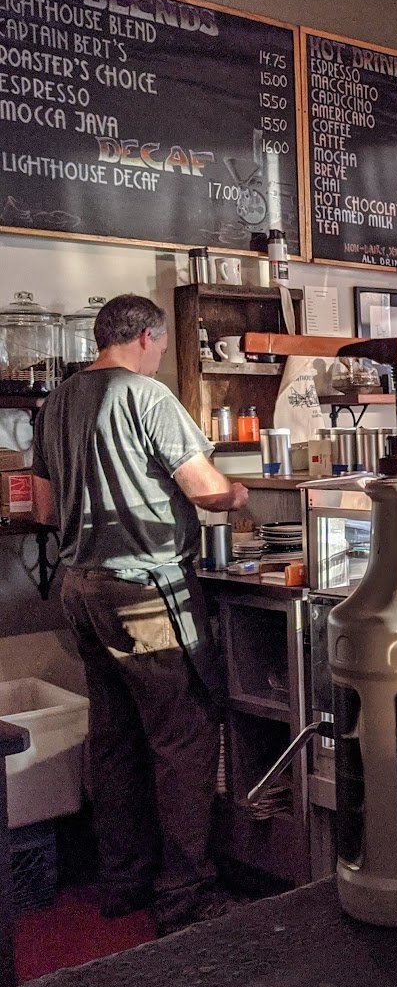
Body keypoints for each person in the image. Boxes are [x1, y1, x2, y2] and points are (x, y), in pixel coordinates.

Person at [31, 294, 249, 935]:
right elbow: (205, 491)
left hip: (80, 587)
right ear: (150, 337)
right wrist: (236, 494)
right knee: (182, 738)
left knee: (116, 738)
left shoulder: (58, 403)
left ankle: (122, 881)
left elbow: (43, 509)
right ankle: (185, 895)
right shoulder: (148, 397)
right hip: (146, 592)